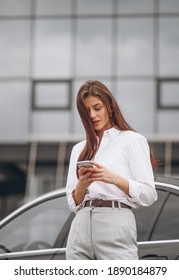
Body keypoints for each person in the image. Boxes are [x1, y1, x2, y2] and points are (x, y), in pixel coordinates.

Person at [65, 80, 158, 260]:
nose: (92, 115)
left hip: (115, 221)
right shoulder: (79, 149)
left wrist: (112, 178)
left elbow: (149, 194)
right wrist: (82, 185)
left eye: (97, 108)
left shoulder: (132, 141)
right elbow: (73, 203)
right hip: (81, 227)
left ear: (110, 106)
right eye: (87, 111)